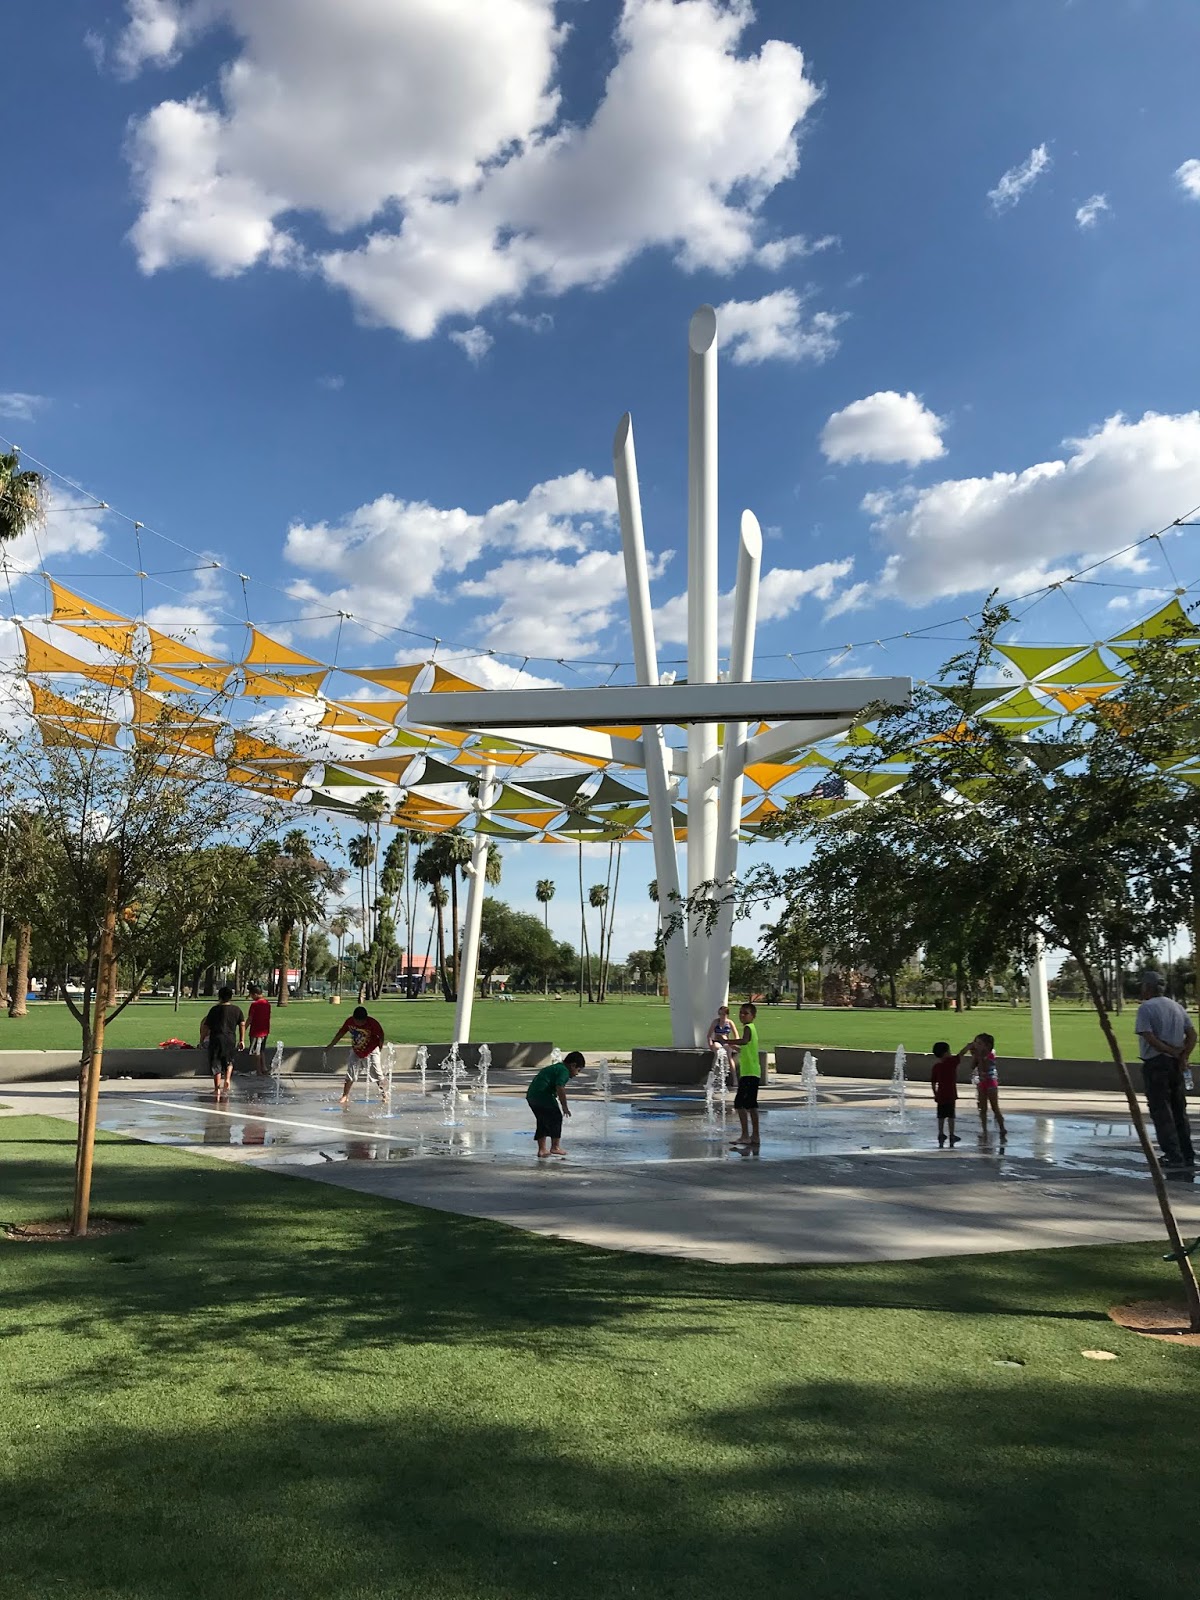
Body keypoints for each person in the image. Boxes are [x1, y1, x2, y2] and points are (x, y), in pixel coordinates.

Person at [1134, 972, 1196, 1170]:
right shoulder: (1177, 1007)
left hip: (1156, 1064)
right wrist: (1183, 1055)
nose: (1141, 989)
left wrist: (1170, 1051)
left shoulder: (1146, 1008)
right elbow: (1193, 1035)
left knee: (1161, 1111)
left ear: (1149, 987)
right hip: (1176, 1066)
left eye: (1143, 986)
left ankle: (1173, 1155)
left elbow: (1149, 1037)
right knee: (1179, 1110)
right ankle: (1187, 1154)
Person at [526, 1050, 585, 1158]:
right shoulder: (564, 1071)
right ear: (573, 1065)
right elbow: (560, 1088)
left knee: (542, 1121)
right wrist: (564, 1106)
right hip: (544, 1096)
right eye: (578, 1070)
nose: (577, 1074)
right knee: (556, 1118)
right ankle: (555, 1147)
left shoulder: (557, 1067)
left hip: (532, 1096)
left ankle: (542, 1149)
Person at [329, 1005, 389, 1106]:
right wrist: (331, 1044)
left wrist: (379, 1048)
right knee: (350, 1073)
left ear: (365, 1019)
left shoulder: (372, 1023)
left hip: (371, 1050)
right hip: (356, 1050)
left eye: (361, 1022)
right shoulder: (350, 1021)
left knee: (378, 1074)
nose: (359, 1024)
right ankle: (345, 1095)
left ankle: (385, 1095)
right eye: (357, 1021)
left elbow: (381, 1035)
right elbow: (341, 1032)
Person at [200, 986, 245, 1099]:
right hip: (230, 1038)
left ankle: (217, 1088)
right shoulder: (237, 1010)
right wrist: (241, 1040)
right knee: (229, 1060)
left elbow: (206, 1026)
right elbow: (242, 1024)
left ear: (219, 996)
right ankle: (228, 1080)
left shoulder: (214, 1010)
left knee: (216, 1062)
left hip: (216, 1038)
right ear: (231, 997)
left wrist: (202, 1039)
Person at [732, 1002, 762, 1147]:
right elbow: (745, 1048)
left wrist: (725, 1040)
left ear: (753, 1016)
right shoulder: (752, 1029)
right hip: (752, 1071)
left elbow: (744, 1041)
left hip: (749, 1073)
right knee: (751, 1105)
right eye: (741, 1012)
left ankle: (745, 1135)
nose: (742, 1015)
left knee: (740, 1104)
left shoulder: (748, 1028)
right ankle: (755, 1136)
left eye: (746, 1013)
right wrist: (732, 1046)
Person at [967, 1031, 1006, 1139]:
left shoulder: (990, 1054)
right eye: (976, 1043)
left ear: (987, 1045)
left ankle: (1002, 1128)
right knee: (982, 1108)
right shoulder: (978, 1055)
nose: (977, 1045)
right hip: (981, 1082)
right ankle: (984, 1130)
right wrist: (974, 1055)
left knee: (994, 1107)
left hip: (991, 1082)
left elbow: (984, 1066)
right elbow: (972, 1066)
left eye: (979, 1043)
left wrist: (978, 1056)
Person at [930, 1041, 962, 1147]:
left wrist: (935, 1093)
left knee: (941, 1116)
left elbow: (933, 1082)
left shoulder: (937, 1066)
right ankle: (952, 1134)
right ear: (945, 1053)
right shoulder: (951, 1063)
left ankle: (940, 1133)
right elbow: (960, 1054)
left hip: (941, 1095)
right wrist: (969, 1046)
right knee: (951, 1116)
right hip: (951, 1094)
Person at [246, 984, 272, 1074]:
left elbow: (250, 1018)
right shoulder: (267, 1003)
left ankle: (258, 1070)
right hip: (265, 1030)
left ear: (255, 994)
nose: (251, 997)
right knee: (262, 1050)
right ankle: (263, 1067)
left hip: (256, 1031)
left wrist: (244, 1027)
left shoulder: (255, 1004)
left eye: (251, 995)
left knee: (256, 1051)